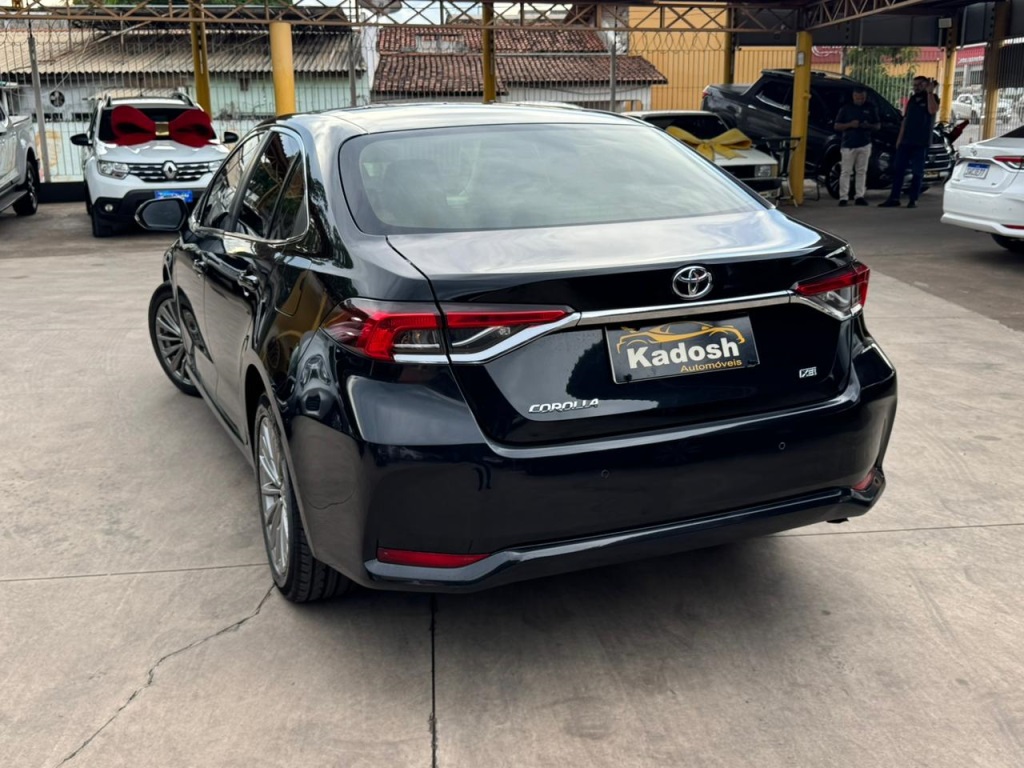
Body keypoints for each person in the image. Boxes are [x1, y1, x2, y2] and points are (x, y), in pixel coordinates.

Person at [879, 76, 939, 209]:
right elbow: (905, 120)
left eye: (919, 85)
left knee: (917, 171)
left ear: (925, 85)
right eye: (915, 85)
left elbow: (932, 110)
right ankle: (894, 198)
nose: (916, 87)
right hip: (906, 141)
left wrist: (929, 93)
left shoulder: (932, 98)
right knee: (898, 169)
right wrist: (899, 139)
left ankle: (913, 199)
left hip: (921, 142)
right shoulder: (912, 99)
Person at [834, 87, 880, 206]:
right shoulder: (846, 108)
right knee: (846, 171)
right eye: (858, 98)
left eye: (862, 98)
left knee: (862, 171)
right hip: (848, 144)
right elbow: (837, 126)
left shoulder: (870, 108)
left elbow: (877, 125)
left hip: (864, 144)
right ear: (853, 96)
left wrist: (868, 126)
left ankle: (859, 196)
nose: (860, 100)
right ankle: (843, 197)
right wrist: (850, 124)